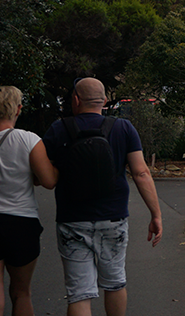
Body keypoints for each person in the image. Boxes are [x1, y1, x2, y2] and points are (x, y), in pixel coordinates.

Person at [43, 78, 162, 316]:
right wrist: (155, 214)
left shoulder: (59, 129)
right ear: (105, 100)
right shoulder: (123, 128)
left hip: (72, 219)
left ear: (75, 100)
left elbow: (45, 174)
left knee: (79, 293)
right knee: (115, 282)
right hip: (113, 218)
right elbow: (141, 172)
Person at [0, 86, 58, 316]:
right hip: (21, 223)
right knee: (21, 292)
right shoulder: (28, 140)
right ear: (18, 109)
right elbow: (49, 180)